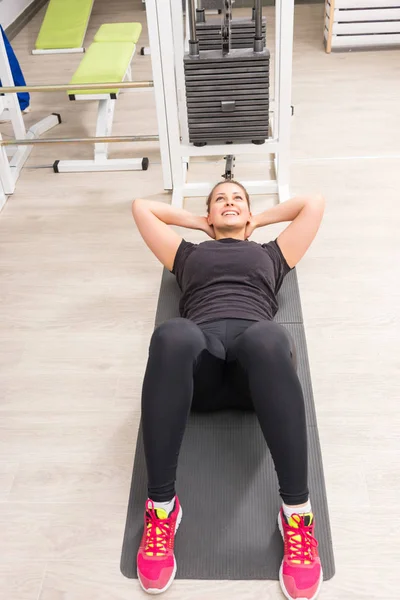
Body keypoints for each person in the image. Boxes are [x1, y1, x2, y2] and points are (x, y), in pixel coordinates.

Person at [132, 180, 325, 600]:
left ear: (250, 212)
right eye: (220, 199)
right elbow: (141, 207)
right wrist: (199, 224)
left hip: (253, 375)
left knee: (268, 337)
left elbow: (313, 202)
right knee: (173, 335)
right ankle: (162, 509)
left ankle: (297, 514)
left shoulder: (272, 254)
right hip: (197, 370)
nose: (230, 202)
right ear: (208, 213)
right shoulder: (187, 255)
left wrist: (258, 221)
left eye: (238, 198)